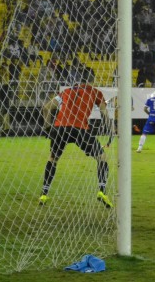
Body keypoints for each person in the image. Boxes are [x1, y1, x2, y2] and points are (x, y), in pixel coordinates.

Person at [39, 71, 114, 208]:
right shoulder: (95, 92)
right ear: (92, 80)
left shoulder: (66, 91)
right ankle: (102, 191)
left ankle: (44, 193)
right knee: (101, 157)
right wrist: (111, 130)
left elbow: (46, 108)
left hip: (60, 128)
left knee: (53, 158)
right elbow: (104, 113)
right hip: (80, 129)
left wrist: (47, 128)